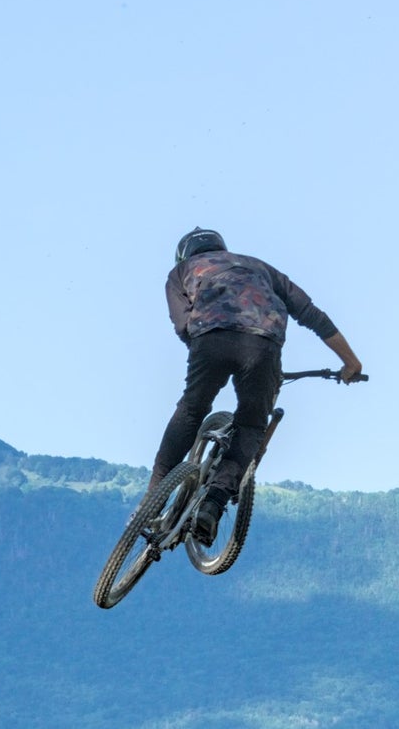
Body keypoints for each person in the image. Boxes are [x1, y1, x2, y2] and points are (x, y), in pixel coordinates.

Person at [150, 228, 362, 544]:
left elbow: (182, 323)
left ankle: (152, 499)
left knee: (192, 409)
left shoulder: (181, 272)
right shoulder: (260, 267)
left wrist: (205, 352)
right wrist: (351, 362)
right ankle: (214, 504)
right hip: (263, 345)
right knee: (250, 425)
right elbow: (311, 314)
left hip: (211, 339)